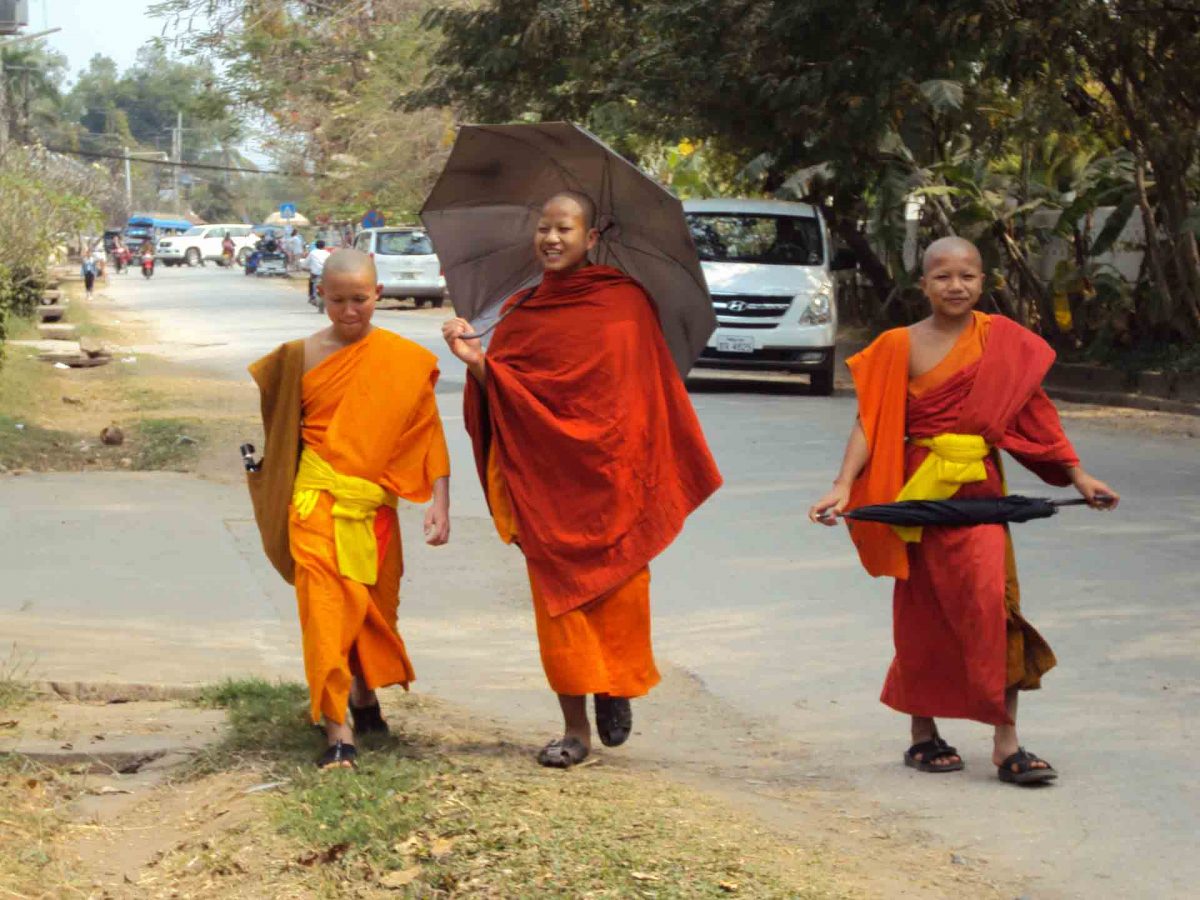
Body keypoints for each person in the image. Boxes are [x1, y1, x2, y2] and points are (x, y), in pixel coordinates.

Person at [808, 236, 1119, 786]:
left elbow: (1036, 418)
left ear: (984, 281)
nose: (957, 286)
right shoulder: (896, 345)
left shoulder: (1004, 343)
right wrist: (842, 485)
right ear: (922, 284)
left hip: (980, 493)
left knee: (995, 608)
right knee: (924, 613)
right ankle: (923, 734)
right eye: (944, 276)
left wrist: (1078, 475)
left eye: (968, 276)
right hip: (919, 495)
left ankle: (1006, 743)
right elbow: (871, 422)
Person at [441, 193, 722, 769]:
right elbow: (508, 391)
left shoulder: (624, 303)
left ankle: (613, 687)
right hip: (546, 482)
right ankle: (574, 730)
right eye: (542, 228)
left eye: (563, 228)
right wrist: (476, 362)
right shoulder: (520, 309)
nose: (550, 238)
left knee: (619, 594)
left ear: (591, 237)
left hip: (613, 476)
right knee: (558, 605)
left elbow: (638, 392)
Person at [247, 249, 451, 770]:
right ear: (321, 296)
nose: (349, 311)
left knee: (372, 609)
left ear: (377, 294)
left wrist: (440, 502)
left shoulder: (404, 360)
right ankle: (338, 730)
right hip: (315, 504)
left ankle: (364, 696)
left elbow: (427, 434)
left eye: (360, 299)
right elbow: (280, 436)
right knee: (326, 614)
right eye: (337, 300)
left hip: (374, 508)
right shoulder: (297, 358)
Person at [306, 239, 331, 310]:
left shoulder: (312, 253)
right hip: (325, 273)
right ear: (324, 246)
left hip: (315, 273)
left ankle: (312, 297)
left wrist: (305, 267)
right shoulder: (328, 253)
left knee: (311, 281)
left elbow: (305, 263)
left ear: (316, 246)